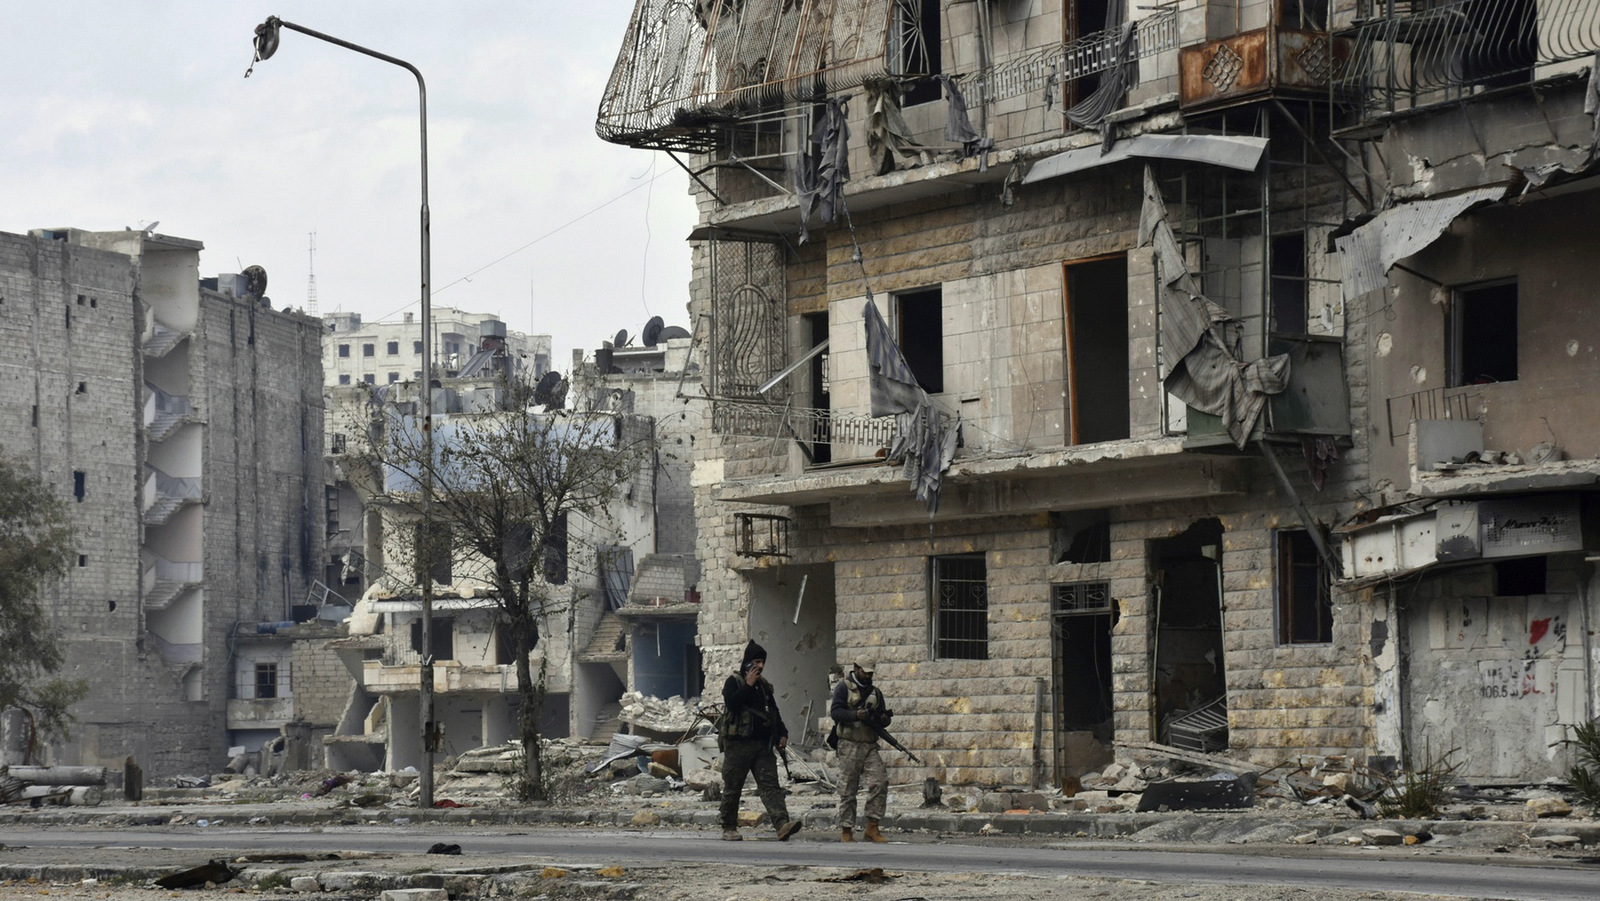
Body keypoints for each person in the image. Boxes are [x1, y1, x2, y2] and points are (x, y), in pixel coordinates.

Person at [719, 640, 802, 842]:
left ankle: (782, 824)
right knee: (733, 786)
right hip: (738, 745)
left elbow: (773, 711)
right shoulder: (735, 681)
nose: (760, 666)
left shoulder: (764, 686)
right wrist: (748, 684)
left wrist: (782, 733)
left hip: (762, 746)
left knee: (771, 786)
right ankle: (729, 827)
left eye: (762, 662)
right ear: (748, 662)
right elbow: (732, 704)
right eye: (756, 661)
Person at [829, 659, 892, 842]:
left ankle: (872, 827)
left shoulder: (875, 693)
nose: (868, 676)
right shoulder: (843, 688)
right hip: (849, 744)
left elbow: (883, 717)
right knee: (848, 789)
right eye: (865, 672)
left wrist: (883, 719)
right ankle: (847, 830)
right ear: (856, 669)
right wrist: (855, 715)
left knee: (879, 782)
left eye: (871, 673)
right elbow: (835, 712)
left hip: (869, 745)